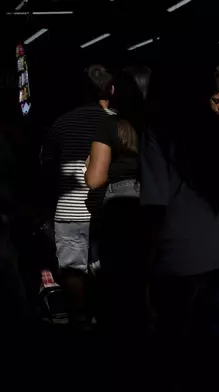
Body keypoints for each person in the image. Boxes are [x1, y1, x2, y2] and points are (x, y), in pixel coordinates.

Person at [140, 65, 219, 391]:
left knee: (184, 361)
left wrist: (147, 270)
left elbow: (155, 206)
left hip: (178, 265)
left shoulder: (158, 135)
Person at [84, 66, 150, 386]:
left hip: (120, 210)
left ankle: (123, 364)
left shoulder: (109, 126)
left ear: (116, 93)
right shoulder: (156, 126)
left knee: (122, 290)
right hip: (154, 207)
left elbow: (95, 178)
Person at [41, 64, 115, 328]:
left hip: (68, 211)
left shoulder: (61, 123)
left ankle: (81, 321)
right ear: (112, 89)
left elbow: (47, 167)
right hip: (108, 209)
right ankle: (104, 318)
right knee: (105, 267)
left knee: (73, 270)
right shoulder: (119, 121)